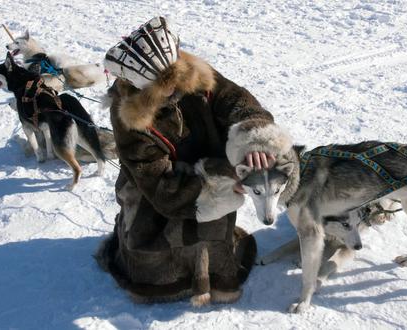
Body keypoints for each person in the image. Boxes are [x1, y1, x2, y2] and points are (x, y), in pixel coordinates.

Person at [96, 17, 292, 306]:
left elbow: (238, 103)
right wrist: (219, 183)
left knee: (214, 239)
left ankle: (213, 275)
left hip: (214, 168)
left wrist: (255, 138)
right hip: (155, 188)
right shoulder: (128, 115)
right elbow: (156, 182)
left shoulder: (198, 75)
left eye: (177, 78)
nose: (176, 90)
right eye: (164, 87)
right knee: (153, 255)